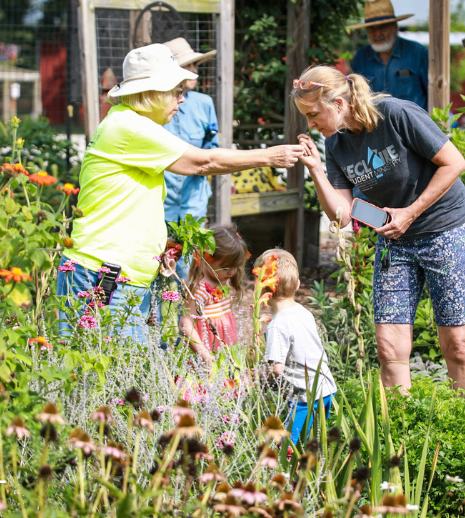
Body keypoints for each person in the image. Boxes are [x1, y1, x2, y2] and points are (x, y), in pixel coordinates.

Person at [57, 43, 306, 343]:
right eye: (175, 91)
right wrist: (270, 156)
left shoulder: (127, 122)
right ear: (150, 92)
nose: (182, 98)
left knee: (121, 378)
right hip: (105, 276)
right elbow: (204, 162)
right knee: (110, 379)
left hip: (117, 275)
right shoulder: (129, 127)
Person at [291, 65, 465, 404]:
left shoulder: (395, 114)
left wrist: (411, 212)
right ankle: (403, 439)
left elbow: (455, 163)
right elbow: (343, 215)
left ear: (337, 102)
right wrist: (316, 170)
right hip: (395, 240)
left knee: (458, 345)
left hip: (445, 228)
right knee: (389, 348)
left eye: (313, 113)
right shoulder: (334, 145)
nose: (311, 123)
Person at [259, 248, 337, 444]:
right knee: (315, 441)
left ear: (262, 290)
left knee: (289, 446)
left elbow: (276, 369)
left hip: (304, 396)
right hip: (326, 388)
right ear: (298, 284)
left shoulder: (276, 325)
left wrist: (260, 377)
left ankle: (288, 473)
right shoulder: (304, 312)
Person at [162, 37, 220, 224]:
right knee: (160, 253)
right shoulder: (155, 108)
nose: (195, 72)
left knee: (192, 253)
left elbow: (213, 147)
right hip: (162, 202)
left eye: (196, 65)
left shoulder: (205, 104)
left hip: (194, 200)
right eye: (188, 66)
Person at [179, 225, 246, 362]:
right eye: (225, 267)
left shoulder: (221, 280)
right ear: (206, 257)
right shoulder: (200, 290)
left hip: (224, 351)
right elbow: (185, 323)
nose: (231, 272)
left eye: (235, 266)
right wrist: (203, 354)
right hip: (208, 354)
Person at [349, 0, 429, 112]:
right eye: (372, 29)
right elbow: (356, 97)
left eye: (382, 28)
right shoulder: (361, 57)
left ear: (395, 28)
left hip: (412, 128)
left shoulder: (418, 53)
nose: (377, 34)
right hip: (374, 128)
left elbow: (434, 94)